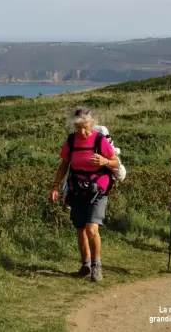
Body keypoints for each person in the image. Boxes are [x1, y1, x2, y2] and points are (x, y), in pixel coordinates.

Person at [49, 107, 120, 282]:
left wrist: (105, 161)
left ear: (92, 124)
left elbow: (116, 161)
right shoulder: (72, 141)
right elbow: (64, 164)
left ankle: (97, 266)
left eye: (85, 127)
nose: (82, 131)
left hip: (98, 190)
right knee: (80, 228)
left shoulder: (100, 140)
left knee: (91, 228)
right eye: (78, 127)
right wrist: (55, 186)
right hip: (77, 189)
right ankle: (85, 265)